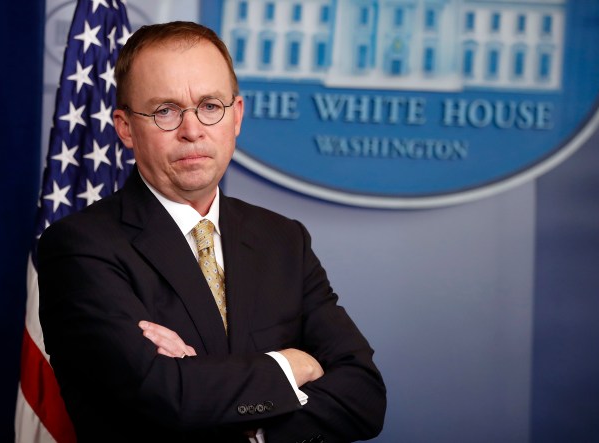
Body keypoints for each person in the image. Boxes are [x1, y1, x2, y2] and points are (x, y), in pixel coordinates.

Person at [38, 21, 386, 442]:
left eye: (209, 106)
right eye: (165, 111)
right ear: (126, 128)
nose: (192, 130)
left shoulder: (283, 241)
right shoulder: (79, 248)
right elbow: (167, 395)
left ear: (236, 116)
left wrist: (248, 423)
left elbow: (364, 396)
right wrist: (291, 365)